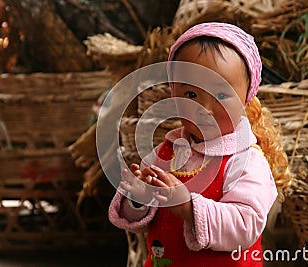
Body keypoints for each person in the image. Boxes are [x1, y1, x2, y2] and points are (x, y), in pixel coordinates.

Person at [109, 22, 291, 267]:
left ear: (246, 98)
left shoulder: (246, 161)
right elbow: (142, 223)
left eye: (222, 95)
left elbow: (246, 225)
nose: (204, 109)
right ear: (174, 94)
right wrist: (140, 199)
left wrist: (188, 206)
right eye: (191, 95)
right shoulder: (164, 154)